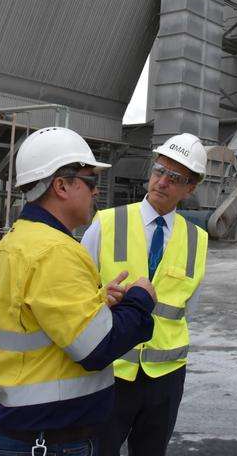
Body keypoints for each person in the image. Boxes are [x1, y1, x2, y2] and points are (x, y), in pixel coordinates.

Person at [0, 126, 157, 456]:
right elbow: (98, 349)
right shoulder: (56, 252)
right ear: (61, 185)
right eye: (91, 182)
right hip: (49, 441)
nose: (96, 193)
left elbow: (37, 320)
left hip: (16, 431)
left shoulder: (16, 242)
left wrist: (98, 303)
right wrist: (140, 299)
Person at [81, 133, 210, 456]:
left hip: (165, 377)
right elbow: (77, 293)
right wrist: (100, 297)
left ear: (190, 187)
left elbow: (185, 308)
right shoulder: (106, 222)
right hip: (111, 368)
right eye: (158, 171)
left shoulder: (197, 239)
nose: (162, 182)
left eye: (175, 177)